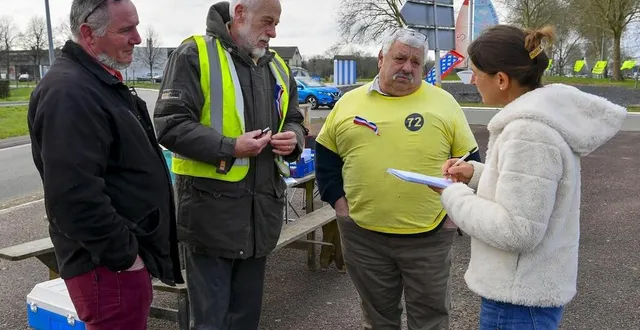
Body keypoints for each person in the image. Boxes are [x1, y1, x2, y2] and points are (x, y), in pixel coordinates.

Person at [431, 25, 627, 329]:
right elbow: (529, 190)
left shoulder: (528, 132)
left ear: (500, 79)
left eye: (475, 73)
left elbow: (517, 229)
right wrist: (475, 174)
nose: (473, 81)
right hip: (524, 295)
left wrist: (453, 195)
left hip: (517, 302)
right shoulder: (541, 122)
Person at [27, 0, 184, 329]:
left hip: (114, 266)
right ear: (88, 33)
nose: (138, 39)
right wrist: (127, 257)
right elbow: (73, 197)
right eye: (126, 30)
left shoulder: (96, 81)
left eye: (136, 27)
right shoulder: (70, 92)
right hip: (107, 269)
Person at [315, 28, 481, 330]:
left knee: (430, 319)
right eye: (400, 58)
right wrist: (338, 202)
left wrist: (454, 216)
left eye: (416, 62)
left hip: (429, 236)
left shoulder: (444, 103)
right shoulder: (348, 103)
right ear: (381, 58)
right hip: (363, 235)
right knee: (378, 319)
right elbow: (326, 155)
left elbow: (470, 162)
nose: (407, 67)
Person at [154, 0, 306, 328]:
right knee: (210, 322)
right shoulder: (193, 54)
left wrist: (293, 140)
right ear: (239, 14)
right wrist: (231, 147)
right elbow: (169, 124)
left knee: (245, 321)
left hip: (260, 217)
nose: (273, 32)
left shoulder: (277, 65)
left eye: (276, 23)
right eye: (267, 22)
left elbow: (294, 119)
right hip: (211, 219)